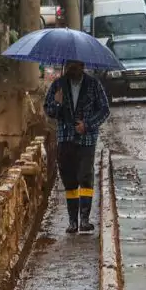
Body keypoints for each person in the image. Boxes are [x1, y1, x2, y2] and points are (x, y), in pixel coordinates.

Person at [43, 59, 110, 234]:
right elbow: (49, 111)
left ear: (82, 65)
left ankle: (85, 220)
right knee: (69, 179)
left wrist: (87, 125)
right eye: (70, 64)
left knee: (85, 175)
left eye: (76, 64)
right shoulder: (58, 85)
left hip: (86, 139)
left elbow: (104, 110)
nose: (72, 68)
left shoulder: (93, 84)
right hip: (65, 139)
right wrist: (57, 102)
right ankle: (73, 222)